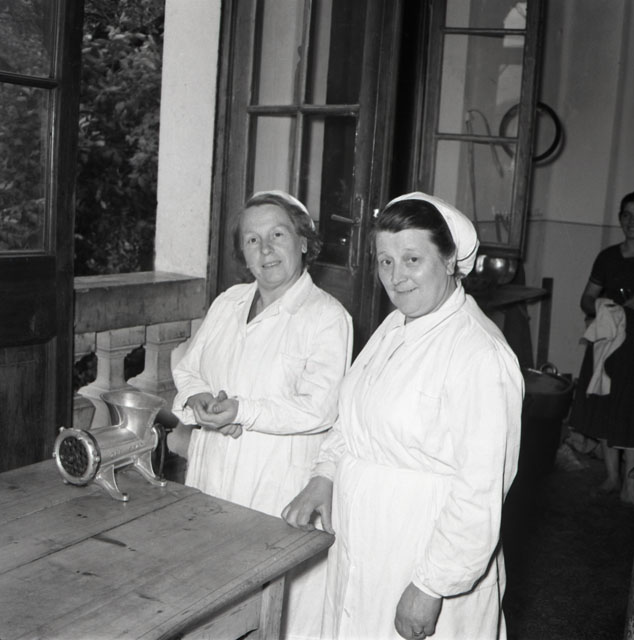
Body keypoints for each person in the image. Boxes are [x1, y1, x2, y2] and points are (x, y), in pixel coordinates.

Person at [283, 192, 524, 640]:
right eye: (385, 261)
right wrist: (325, 474)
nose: (397, 277)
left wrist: (432, 585)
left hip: (422, 554)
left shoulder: (479, 354)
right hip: (365, 543)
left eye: (412, 259)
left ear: (449, 260)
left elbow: (481, 489)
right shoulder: (395, 326)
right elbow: (354, 415)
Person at [170, 190, 353, 640]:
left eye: (277, 235)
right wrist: (198, 399)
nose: (265, 249)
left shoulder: (327, 317)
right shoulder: (229, 302)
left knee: (273, 615)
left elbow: (320, 406)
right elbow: (189, 367)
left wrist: (243, 411)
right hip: (212, 475)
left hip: (275, 486)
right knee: (208, 602)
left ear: (303, 242)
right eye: (252, 240)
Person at [569, 191, 634, 502]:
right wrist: (600, 307)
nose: (631, 222)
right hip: (607, 346)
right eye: (626, 215)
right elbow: (586, 297)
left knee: (629, 410)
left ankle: (630, 484)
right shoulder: (607, 257)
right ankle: (611, 477)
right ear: (620, 219)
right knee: (606, 406)